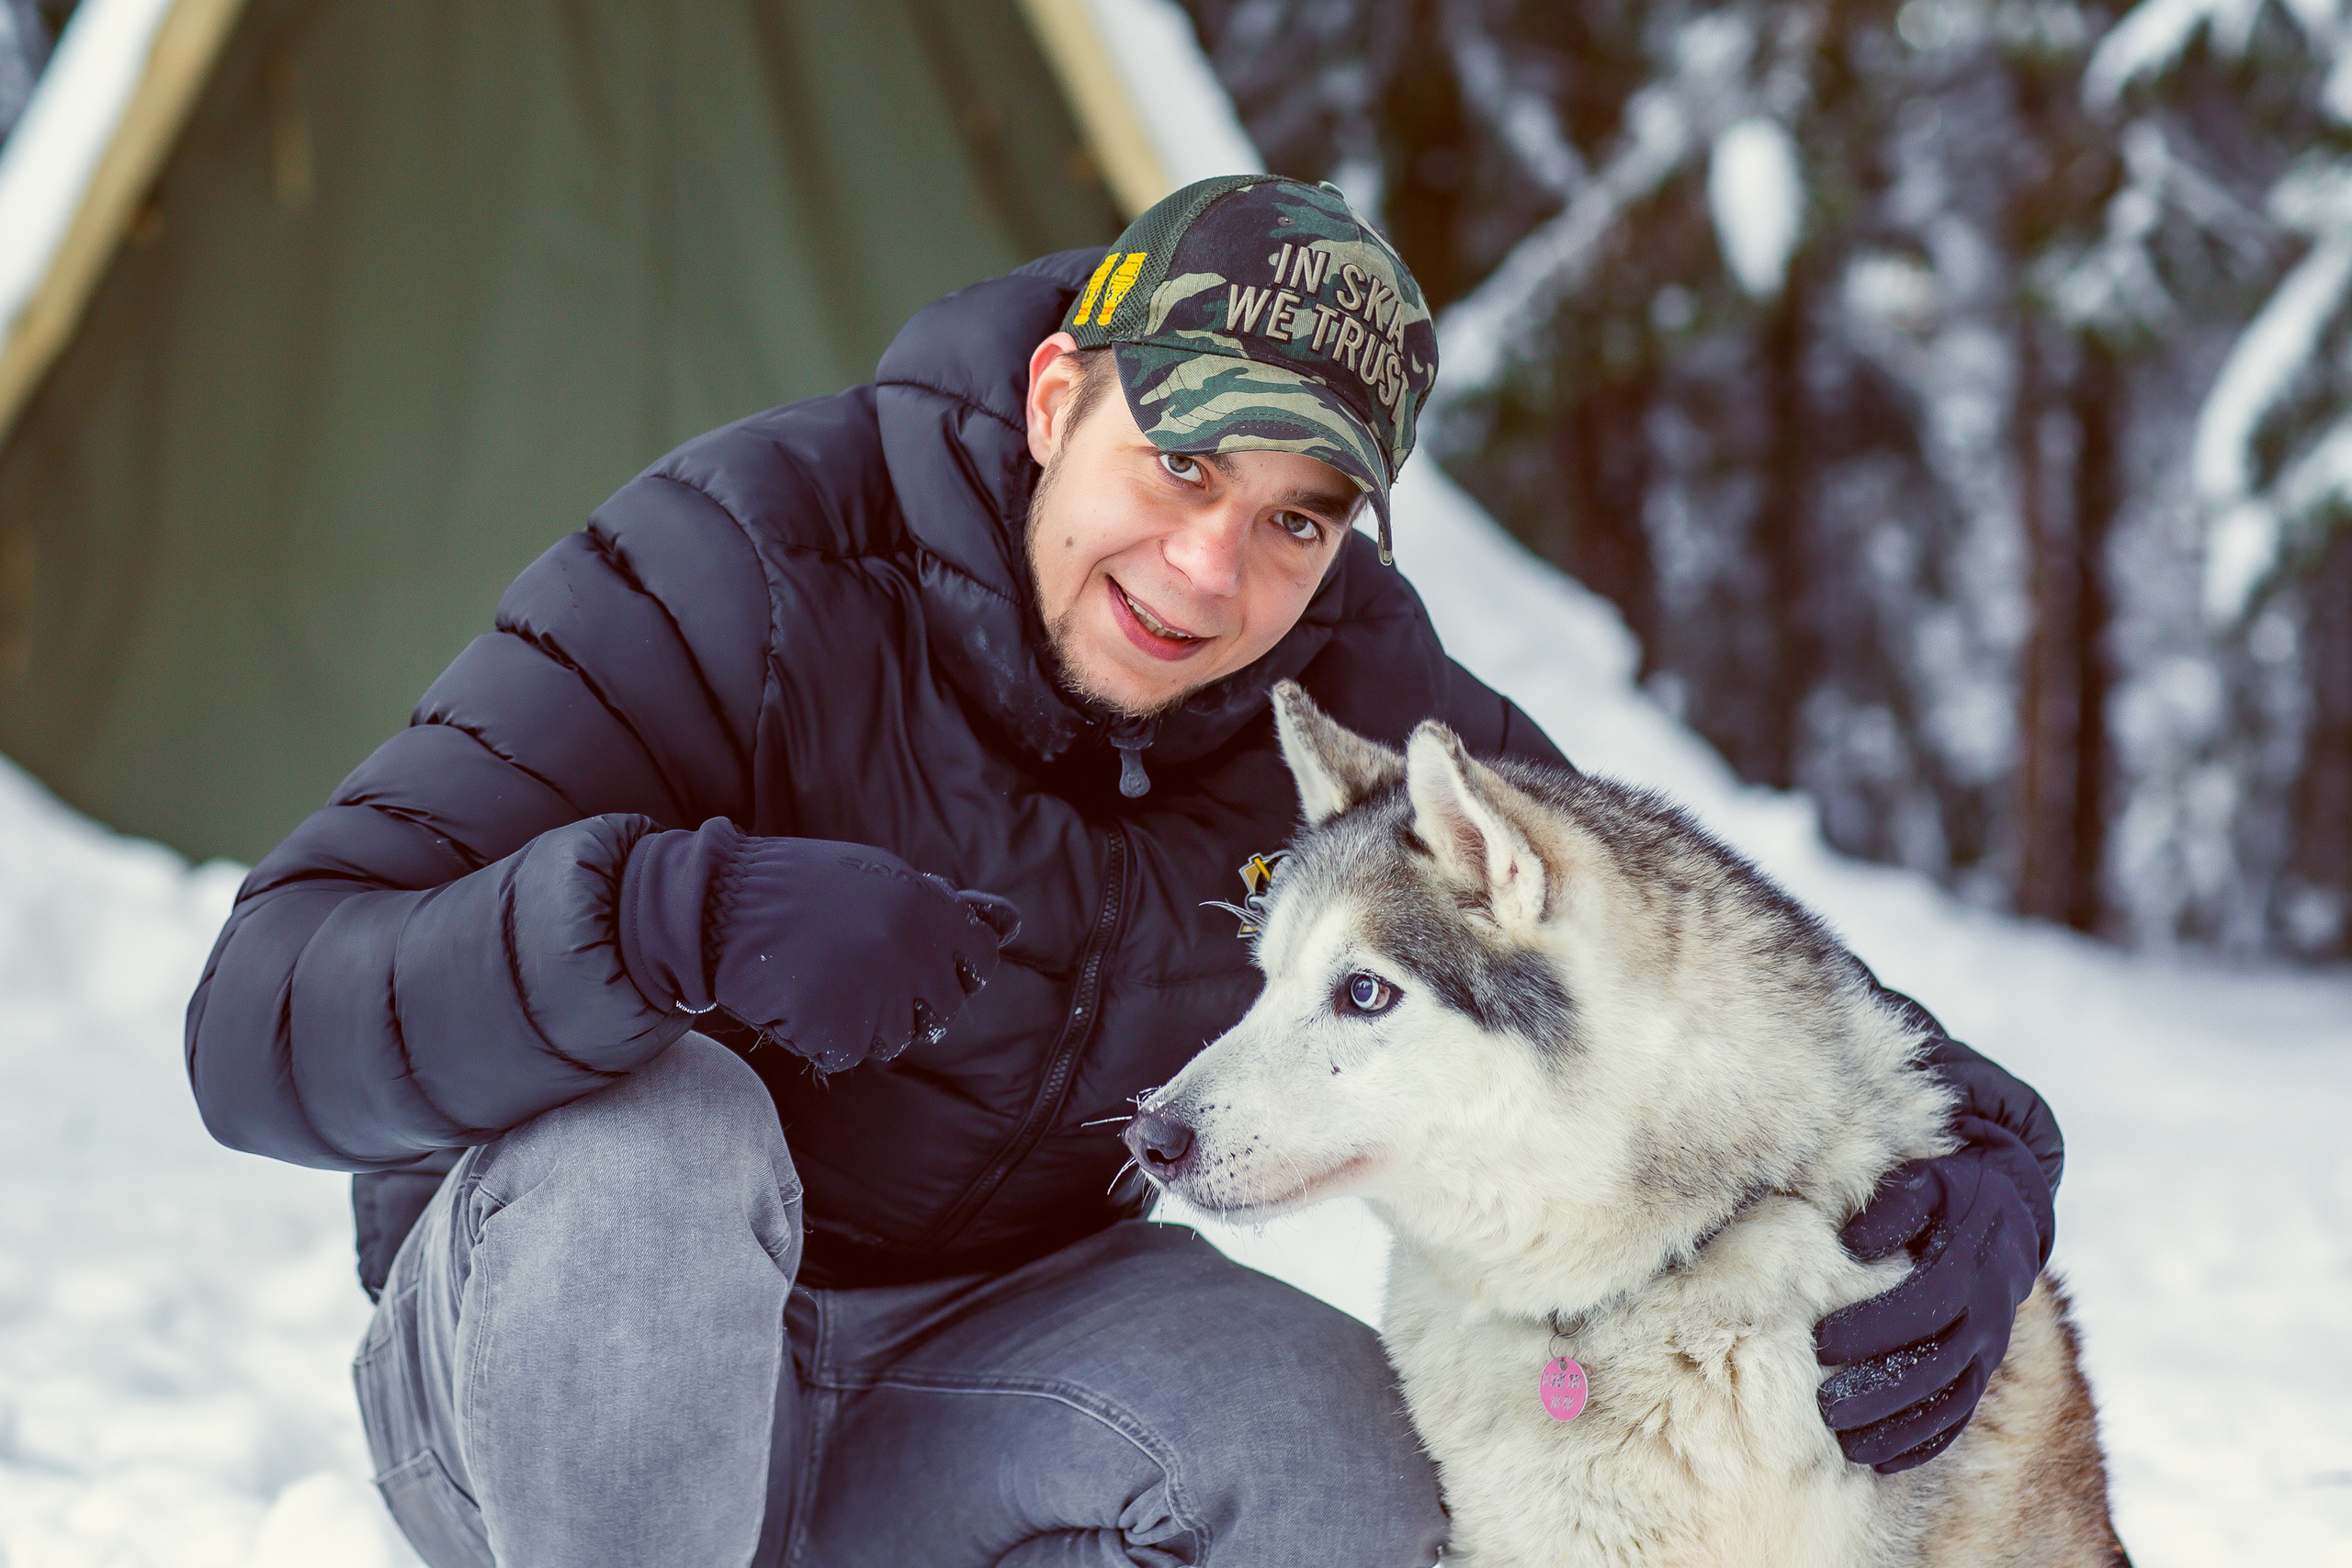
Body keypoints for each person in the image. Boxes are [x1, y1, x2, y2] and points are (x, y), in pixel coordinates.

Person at [185, 175, 2064, 1568]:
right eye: (1178, 465)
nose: (1206, 571)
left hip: (971, 1356)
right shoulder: (735, 567)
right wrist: (671, 913)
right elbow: (258, 1019)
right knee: (660, 1128)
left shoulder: (1335, 681)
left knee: (1351, 1466)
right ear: (1053, 397)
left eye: (1294, 518)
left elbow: (1660, 941)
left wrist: (1986, 1141)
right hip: (556, 1389)